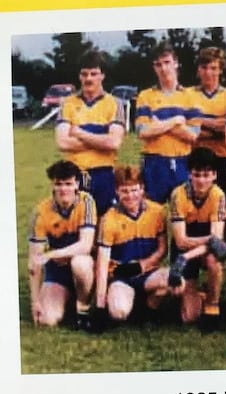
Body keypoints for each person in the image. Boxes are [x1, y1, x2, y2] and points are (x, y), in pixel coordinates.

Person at [94, 165, 175, 327]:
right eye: (124, 191)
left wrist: (140, 267)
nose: (130, 196)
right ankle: (123, 300)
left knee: (176, 280)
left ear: (142, 188)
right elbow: (102, 265)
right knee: (119, 313)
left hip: (148, 273)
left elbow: (162, 250)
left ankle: (148, 310)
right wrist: (100, 306)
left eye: (134, 190)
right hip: (121, 276)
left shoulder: (157, 211)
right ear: (117, 191)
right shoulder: (108, 219)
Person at [167, 147, 226, 332]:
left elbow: (216, 243)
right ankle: (199, 293)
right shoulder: (178, 194)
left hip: (196, 252)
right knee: (189, 316)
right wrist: (209, 240)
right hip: (185, 247)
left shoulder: (218, 194)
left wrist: (186, 257)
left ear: (214, 175)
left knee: (214, 260)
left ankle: (213, 306)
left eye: (206, 175)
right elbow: (180, 241)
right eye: (197, 175)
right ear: (189, 174)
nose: (201, 180)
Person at [55, 50, 125, 216]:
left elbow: (114, 143)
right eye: (84, 74)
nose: (89, 79)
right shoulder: (68, 104)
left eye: (94, 74)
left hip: (104, 175)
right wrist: (101, 140)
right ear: (79, 76)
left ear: (102, 76)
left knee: (104, 227)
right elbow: (62, 142)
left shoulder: (114, 104)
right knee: (79, 226)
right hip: (75, 176)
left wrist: (79, 133)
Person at [28, 160, 97, 329]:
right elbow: (34, 262)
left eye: (68, 183)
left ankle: (82, 307)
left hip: (82, 264)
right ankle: (68, 295)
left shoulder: (86, 201)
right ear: (52, 185)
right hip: (57, 270)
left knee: (79, 262)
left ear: (77, 184)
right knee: (47, 320)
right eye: (59, 184)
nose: (63, 189)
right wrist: (35, 301)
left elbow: (85, 246)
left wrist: (50, 254)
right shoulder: (40, 212)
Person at [135, 42, 200, 204]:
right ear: (154, 68)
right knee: (152, 211)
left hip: (182, 161)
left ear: (176, 63)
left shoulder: (190, 96)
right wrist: (176, 121)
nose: (163, 69)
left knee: (183, 211)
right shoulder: (145, 96)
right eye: (158, 64)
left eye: (167, 63)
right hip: (154, 162)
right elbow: (143, 132)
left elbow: (193, 135)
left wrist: (159, 125)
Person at [189, 46, 226, 197]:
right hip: (195, 157)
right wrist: (217, 125)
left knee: (224, 207)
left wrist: (199, 120)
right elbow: (186, 128)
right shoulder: (188, 94)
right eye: (204, 67)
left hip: (224, 158)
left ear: (220, 70)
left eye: (213, 68)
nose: (208, 72)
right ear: (198, 70)